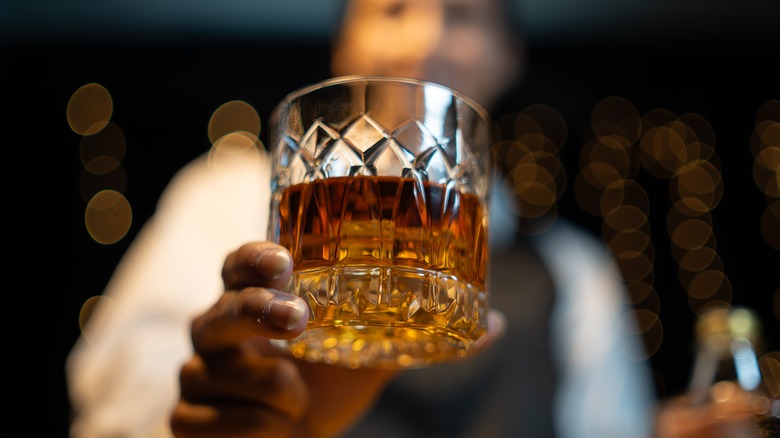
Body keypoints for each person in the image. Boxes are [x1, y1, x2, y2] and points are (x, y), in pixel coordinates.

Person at [66, 0, 657, 437]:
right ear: (344, 45)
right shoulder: (225, 193)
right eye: (394, 10)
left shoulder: (576, 269)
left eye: (463, 16)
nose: (425, 40)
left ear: (509, 58)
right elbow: (117, 403)